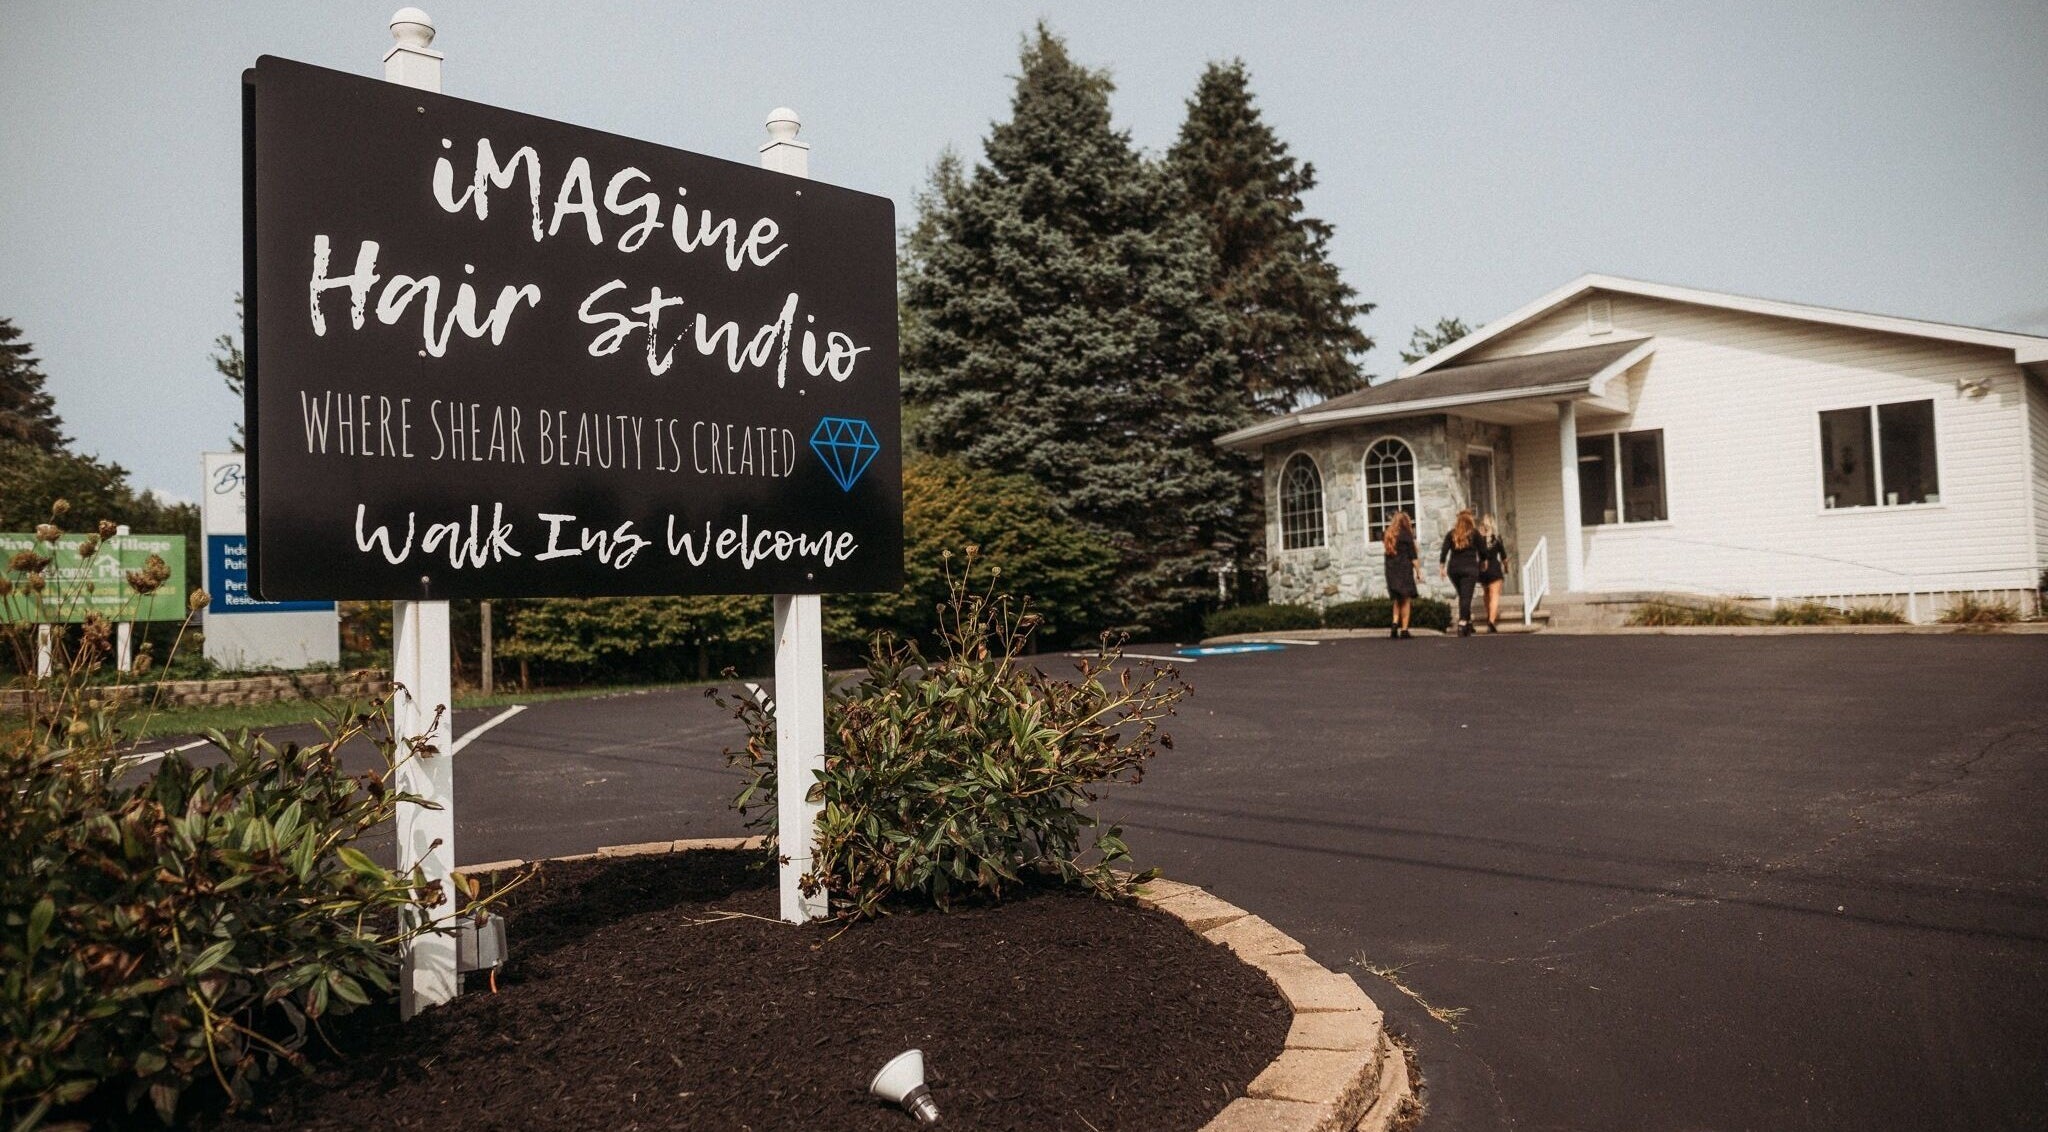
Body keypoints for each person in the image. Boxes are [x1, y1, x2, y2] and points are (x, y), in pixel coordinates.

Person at [1439, 509, 1483, 637]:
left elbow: (1444, 550)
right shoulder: (1474, 534)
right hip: (1469, 569)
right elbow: (1483, 551)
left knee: (1463, 595)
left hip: (1454, 570)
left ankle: (1468, 623)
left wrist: (1442, 566)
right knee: (1466, 597)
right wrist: (1484, 562)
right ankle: (1463, 623)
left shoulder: (1451, 534)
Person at [1382, 510, 1422, 639]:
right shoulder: (1406, 535)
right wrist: (1418, 572)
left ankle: (1394, 624)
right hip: (1404, 570)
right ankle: (1404, 630)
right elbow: (1413, 556)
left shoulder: (1388, 535)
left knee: (1397, 599)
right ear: (1406, 522)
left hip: (1391, 571)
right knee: (1405, 600)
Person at [1476, 514, 1508, 633]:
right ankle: (1491, 621)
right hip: (1494, 568)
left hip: (1483, 569)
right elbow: (1504, 557)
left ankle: (1489, 615)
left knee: (1486, 594)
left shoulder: (1479, 540)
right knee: (1494, 595)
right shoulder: (1497, 539)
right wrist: (1506, 567)